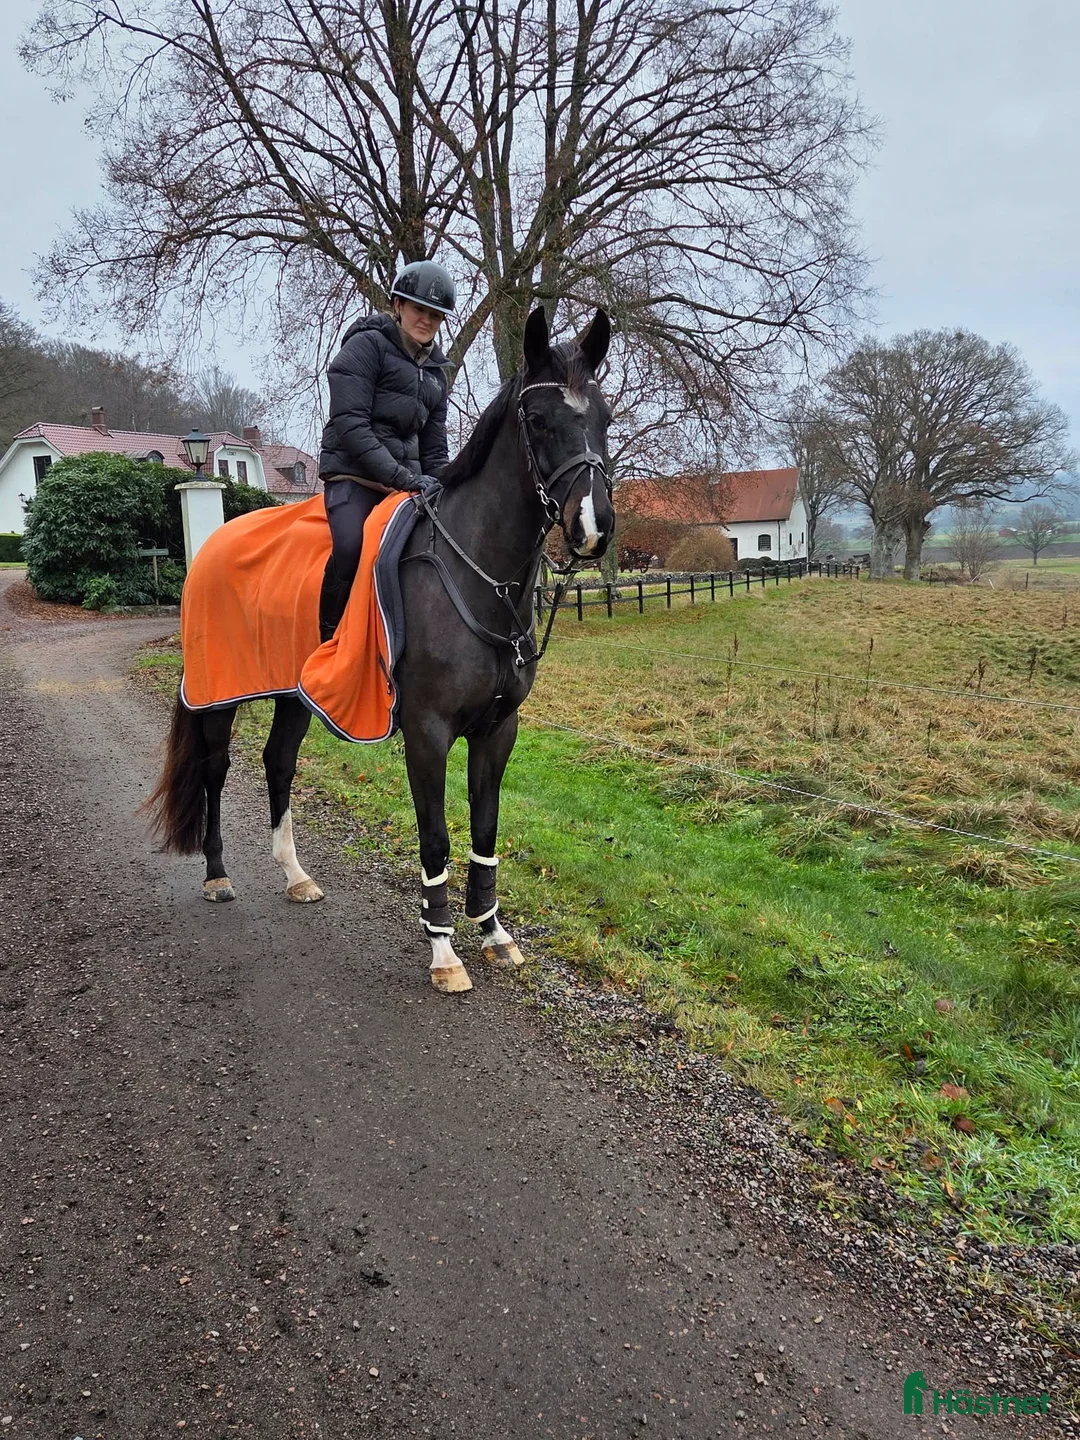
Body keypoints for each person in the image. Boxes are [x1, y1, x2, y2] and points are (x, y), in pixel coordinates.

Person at [317, 260, 455, 641]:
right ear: (397, 305)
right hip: (354, 475)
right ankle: (329, 638)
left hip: (406, 484)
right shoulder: (366, 347)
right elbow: (351, 425)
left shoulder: (436, 374)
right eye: (418, 309)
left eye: (435, 315)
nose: (426, 320)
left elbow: (435, 450)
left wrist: (449, 485)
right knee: (350, 546)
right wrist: (402, 478)